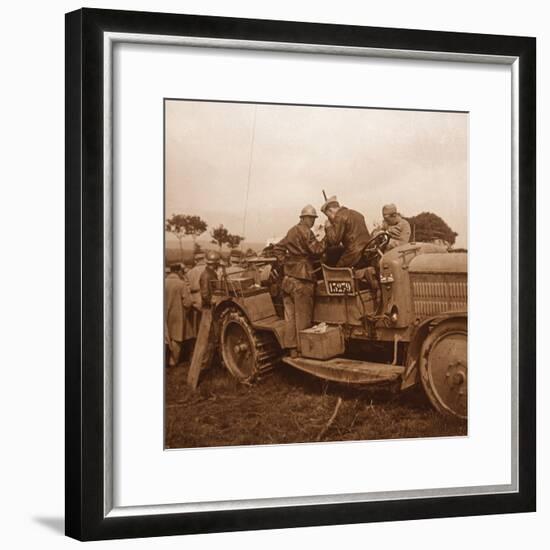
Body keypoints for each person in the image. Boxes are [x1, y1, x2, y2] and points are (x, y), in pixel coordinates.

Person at [273, 205, 325, 357]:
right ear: (303, 218)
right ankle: (304, 351)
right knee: (303, 317)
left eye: (314, 219)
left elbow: (277, 248)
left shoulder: (291, 231)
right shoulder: (306, 231)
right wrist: (327, 237)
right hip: (303, 279)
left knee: (290, 317)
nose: (313, 222)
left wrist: (287, 263)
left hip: (288, 280)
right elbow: (317, 250)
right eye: (311, 218)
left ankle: (292, 349)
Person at [187, 250, 221, 388]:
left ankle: (209, 366)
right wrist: (215, 300)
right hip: (208, 311)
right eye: (216, 263)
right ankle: (201, 369)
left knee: (213, 340)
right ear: (213, 263)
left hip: (212, 309)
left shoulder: (211, 273)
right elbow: (206, 295)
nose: (217, 265)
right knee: (207, 342)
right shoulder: (206, 275)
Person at [320, 195, 371, 267]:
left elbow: (334, 241)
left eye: (328, 216)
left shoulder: (339, 216)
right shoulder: (357, 213)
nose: (330, 220)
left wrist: (328, 227)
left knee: (337, 271)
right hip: (368, 250)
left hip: (354, 253)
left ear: (330, 210)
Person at [165, 263, 193, 367]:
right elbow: (188, 302)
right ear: (178, 271)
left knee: (166, 336)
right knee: (176, 337)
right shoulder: (181, 284)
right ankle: (173, 361)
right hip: (177, 314)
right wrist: (188, 309)